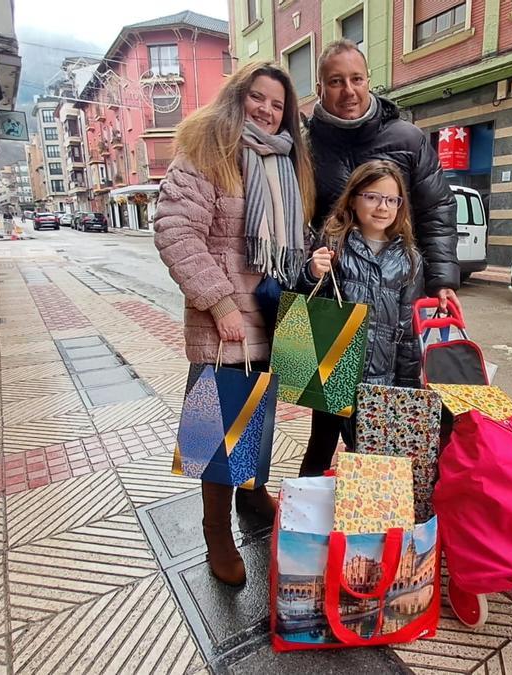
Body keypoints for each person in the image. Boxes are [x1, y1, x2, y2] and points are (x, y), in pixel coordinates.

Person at [154, 62, 314, 586]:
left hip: (273, 313)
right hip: (225, 321)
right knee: (216, 433)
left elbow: (291, 241)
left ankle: (253, 492)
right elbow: (177, 231)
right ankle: (215, 531)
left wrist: (311, 263)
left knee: (260, 419)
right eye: (258, 98)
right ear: (237, 97)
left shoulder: (286, 164)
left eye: (277, 103)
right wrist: (219, 303)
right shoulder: (206, 151)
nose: (267, 110)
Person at [299, 38, 459, 478]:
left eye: (356, 79)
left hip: (392, 294)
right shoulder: (306, 145)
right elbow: (296, 219)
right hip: (333, 297)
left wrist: (442, 278)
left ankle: (380, 515)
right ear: (320, 88)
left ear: (369, 81)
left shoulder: (405, 137)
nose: (348, 90)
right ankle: (298, 520)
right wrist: (306, 266)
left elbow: (437, 209)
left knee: (390, 415)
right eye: (335, 82)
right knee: (324, 420)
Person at [296, 161, 425, 475]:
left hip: (382, 376)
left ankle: (356, 520)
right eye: (372, 197)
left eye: (392, 200)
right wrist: (312, 273)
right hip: (334, 368)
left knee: (370, 457)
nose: (383, 207)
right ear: (353, 199)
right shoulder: (334, 242)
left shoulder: (409, 258)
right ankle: (303, 519)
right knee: (320, 448)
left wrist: (407, 388)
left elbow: (409, 331)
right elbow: (304, 303)